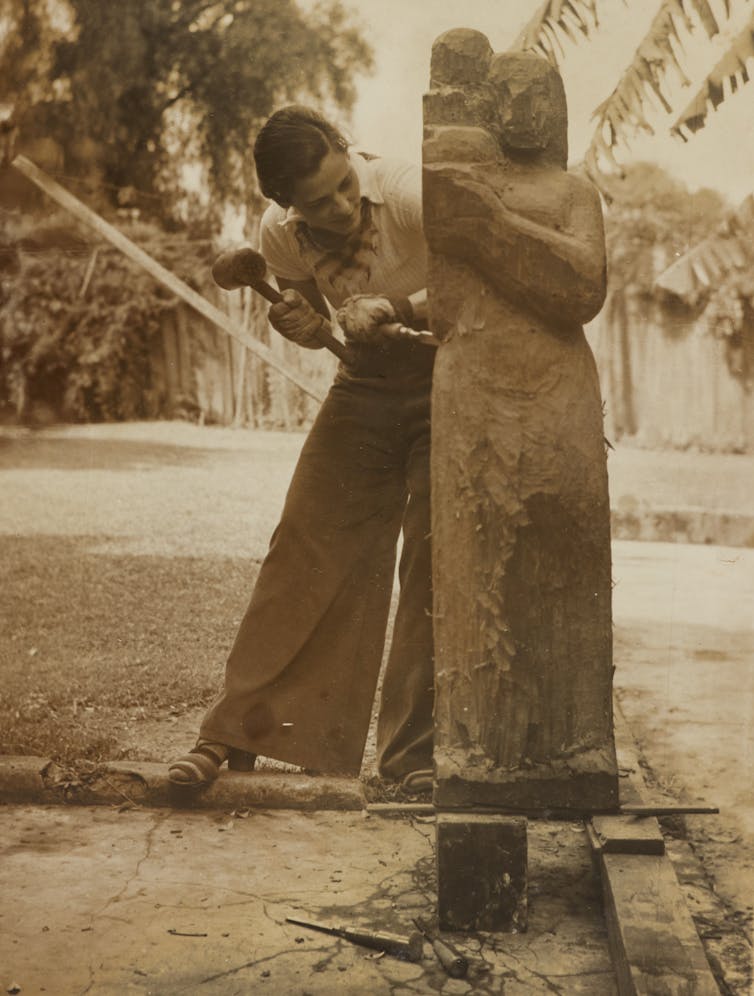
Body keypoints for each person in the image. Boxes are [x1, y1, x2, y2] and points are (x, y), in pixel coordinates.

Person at [169, 105, 434, 789]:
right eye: (321, 202)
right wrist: (300, 322)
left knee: (436, 556)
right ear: (287, 205)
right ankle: (239, 732)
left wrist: (400, 308)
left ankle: (414, 761)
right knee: (304, 544)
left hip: (453, 379)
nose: (343, 207)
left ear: (350, 155)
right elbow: (305, 306)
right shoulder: (277, 234)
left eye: (346, 185)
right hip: (366, 382)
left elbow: (478, 284)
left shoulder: (408, 191)